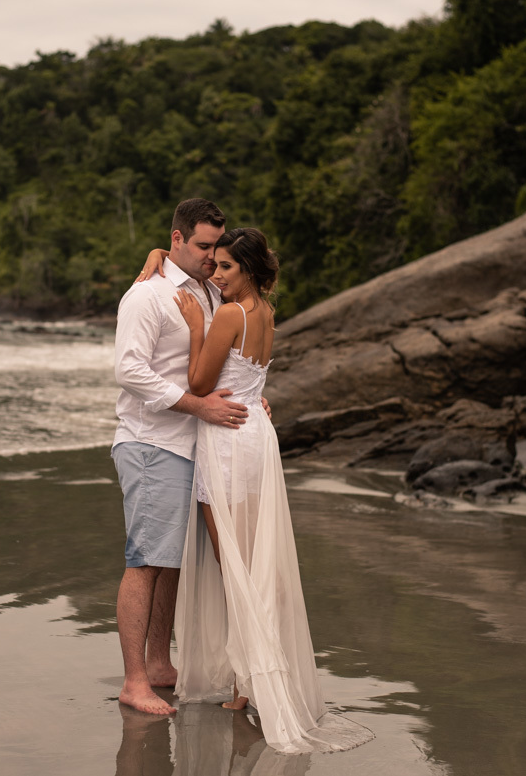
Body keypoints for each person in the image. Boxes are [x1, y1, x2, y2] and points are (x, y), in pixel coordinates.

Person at [166, 228, 374, 754]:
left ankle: (251, 680)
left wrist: (197, 326)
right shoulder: (265, 314)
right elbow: (251, 381)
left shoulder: (230, 316)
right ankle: (246, 680)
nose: (217, 273)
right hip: (258, 436)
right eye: (216, 266)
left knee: (230, 560)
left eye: (227, 267)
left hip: (226, 441)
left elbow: (197, 384)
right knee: (253, 560)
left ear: (250, 270)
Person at [111, 198, 252, 716]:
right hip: (152, 444)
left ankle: (159, 663)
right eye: (202, 245)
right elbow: (129, 371)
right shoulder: (146, 296)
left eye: (217, 245)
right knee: (146, 561)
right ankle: (134, 682)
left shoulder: (209, 290)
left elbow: (220, 357)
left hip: (194, 446)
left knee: (168, 563)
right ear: (176, 239)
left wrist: (248, 391)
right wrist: (196, 406)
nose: (212, 256)